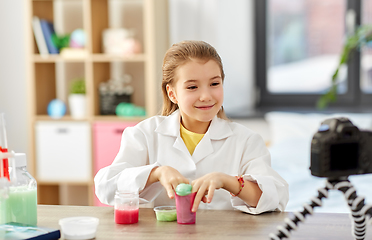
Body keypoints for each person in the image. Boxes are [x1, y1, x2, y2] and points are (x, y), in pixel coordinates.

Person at [94, 40, 288, 214]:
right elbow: (105, 188)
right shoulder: (144, 134)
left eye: (214, 83)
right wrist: (155, 174)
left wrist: (228, 181)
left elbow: (276, 198)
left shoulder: (246, 140)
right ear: (172, 93)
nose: (206, 96)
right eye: (192, 87)